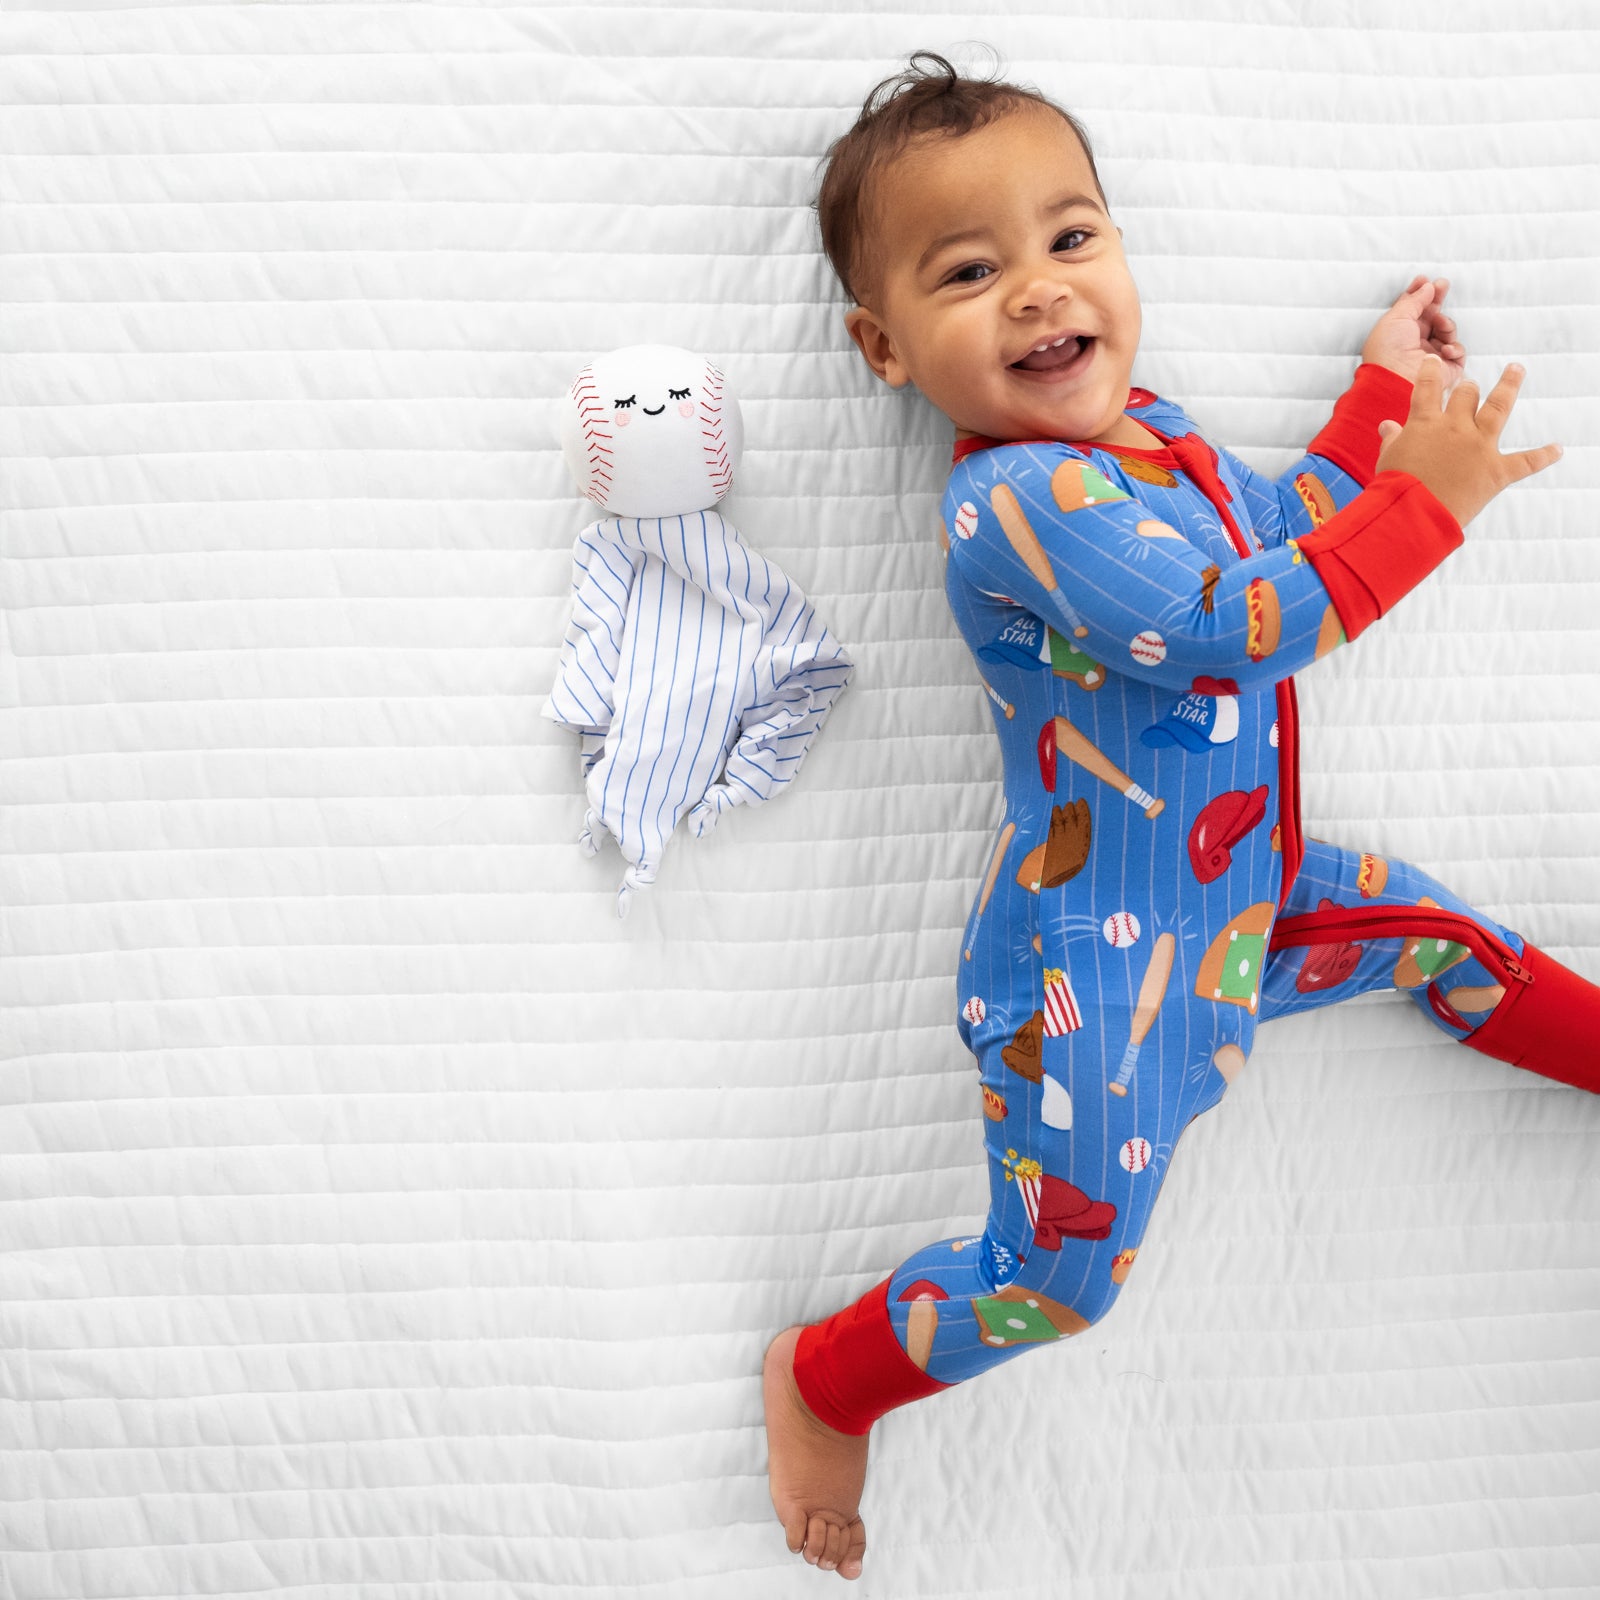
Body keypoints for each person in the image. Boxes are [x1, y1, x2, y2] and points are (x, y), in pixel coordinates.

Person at [762, 49, 1594, 1582]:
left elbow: (1272, 526)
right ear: (886, 346)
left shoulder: (1147, 433)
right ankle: (830, 1377)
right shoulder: (1019, 502)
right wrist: (1432, 506)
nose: (1035, 289)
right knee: (1065, 1274)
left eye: (1070, 239)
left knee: (1445, 942)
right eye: (970, 269)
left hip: (1249, 900)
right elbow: (1231, 621)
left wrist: (1378, 399)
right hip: (1094, 966)